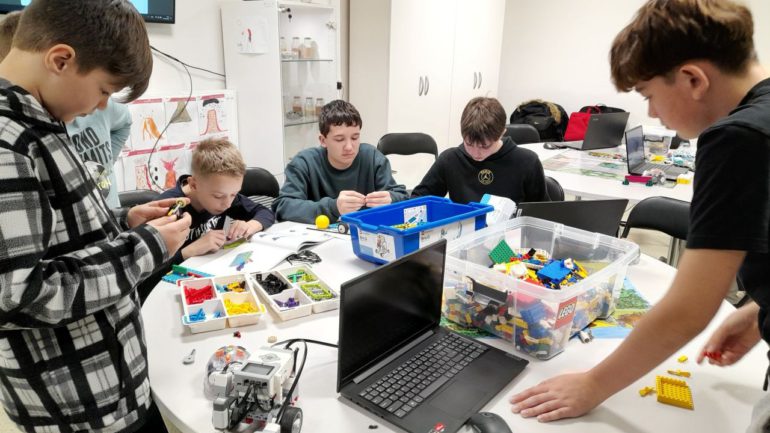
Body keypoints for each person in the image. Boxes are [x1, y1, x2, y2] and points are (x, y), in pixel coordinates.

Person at [509, 1, 770, 431]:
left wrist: (593, 384)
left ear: (693, 79)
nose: (652, 113)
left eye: (648, 95)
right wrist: (759, 311)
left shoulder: (737, 139)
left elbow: (690, 307)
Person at [0, 1, 193, 432]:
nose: (100, 107)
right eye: (105, 90)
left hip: (114, 384)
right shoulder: (8, 143)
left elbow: (56, 236)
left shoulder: (42, 120)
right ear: (61, 60)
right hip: (80, 408)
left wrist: (123, 222)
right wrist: (146, 247)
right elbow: (16, 296)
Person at [0, 9, 132, 209]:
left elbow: (124, 122)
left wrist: (104, 168)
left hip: (106, 214)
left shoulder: (95, 103)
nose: (102, 104)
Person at [272, 99, 408, 223]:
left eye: (355, 138)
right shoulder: (304, 163)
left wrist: (391, 199)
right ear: (323, 140)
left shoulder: (373, 157)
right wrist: (333, 207)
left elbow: (403, 196)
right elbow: (283, 206)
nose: (349, 147)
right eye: (339, 139)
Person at [411, 97, 547, 204]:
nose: (475, 154)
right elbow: (418, 199)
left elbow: (542, 214)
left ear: (502, 133)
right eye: (469, 144)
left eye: (485, 146)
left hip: (509, 231)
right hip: (464, 230)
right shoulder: (450, 159)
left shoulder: (527, 162)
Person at [158, 137, 275, 262]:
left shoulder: (223, 194)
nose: (228, 204)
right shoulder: (167, 208)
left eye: (234, 194)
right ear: (194, 185)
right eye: (218, 196)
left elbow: (265, 213)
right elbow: (149, 269)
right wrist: (189, 251)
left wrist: (250, 225)